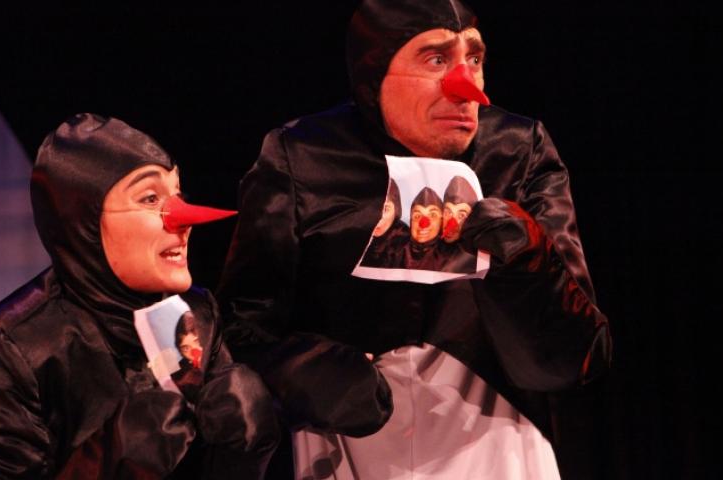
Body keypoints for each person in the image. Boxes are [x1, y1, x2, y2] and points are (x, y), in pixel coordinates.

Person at [217, 0, 611, 478]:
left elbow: (578, 357)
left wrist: (530, 261)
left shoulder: (517, 151)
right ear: (375, 71)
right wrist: (304, 371)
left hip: (496, 440)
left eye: (475, 58)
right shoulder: (303, 156)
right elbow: (242, 329)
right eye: (437, 59)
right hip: (343, 447)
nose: (467, 85)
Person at [0, 113, 278, 479]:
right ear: (84, 224)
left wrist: (240, 459)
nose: (184, 220)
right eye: (150, 198)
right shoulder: (7, 354)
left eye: (177, 193)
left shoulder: (194, 313)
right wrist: (107, 460)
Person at [359, 178, 408, 268]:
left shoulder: (405, 243)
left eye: (385, 209)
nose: (377, 218)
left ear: (396, 209)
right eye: (370, 208)